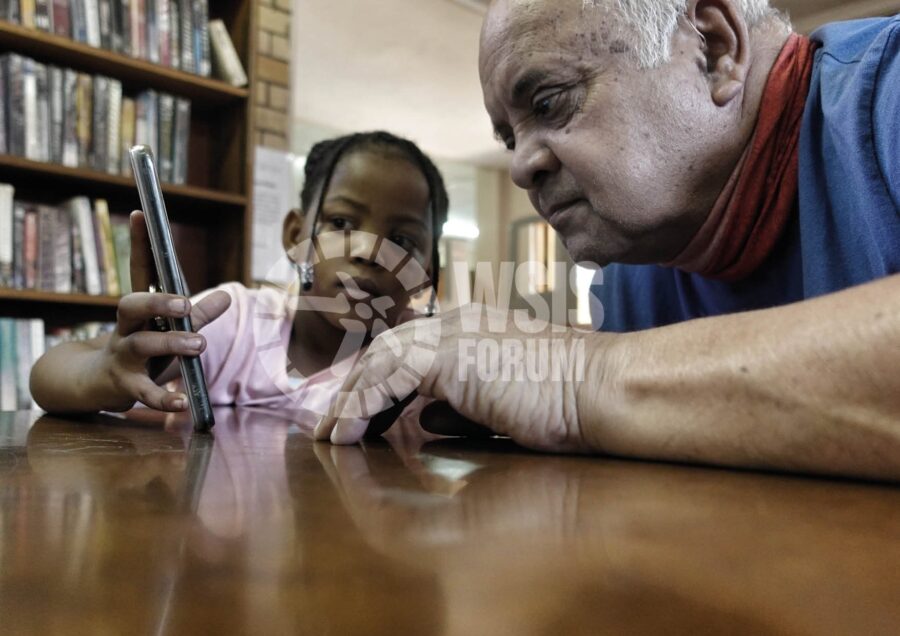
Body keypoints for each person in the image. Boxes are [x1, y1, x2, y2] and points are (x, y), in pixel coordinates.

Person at [314, 0, 900, 480]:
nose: (521, 168)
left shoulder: (886, 94)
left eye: (549, 103)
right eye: (507, 139)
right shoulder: (634, 254)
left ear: (714, 49)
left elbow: (594, 382)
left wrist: (579, 378)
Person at [30, 131, 449, 418]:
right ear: (295, 235)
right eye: (340, 223)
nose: (367, 252)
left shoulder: (428, 363)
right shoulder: (237, 319)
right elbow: (48, 372)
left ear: (427, 272)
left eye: (402, 241)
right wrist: (107, 372)